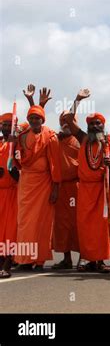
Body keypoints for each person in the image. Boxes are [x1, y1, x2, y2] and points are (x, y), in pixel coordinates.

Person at [62, 106, 110, 274]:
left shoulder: (108, 141)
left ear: (103, 125)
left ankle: (100, 260)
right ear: (87, 126)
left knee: (103, 226)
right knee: (86, 225)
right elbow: (68, 118)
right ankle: (87, 258)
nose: (95, 126)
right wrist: (78, 100)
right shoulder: (83, 138)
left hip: (104, 189)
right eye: (92, 124)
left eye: (98, 123)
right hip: (85, 190)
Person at [15, 99, 61, 271]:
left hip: (44, 184)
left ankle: (39, 259)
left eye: (37, 118)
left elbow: (55, 164)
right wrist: (13, 146)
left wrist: (55, 188)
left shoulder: (51, 137)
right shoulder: (20, 137)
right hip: (26, 183)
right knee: (25, 222)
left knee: (42, 222)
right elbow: (18, 162)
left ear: (43, 120)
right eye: (32, 118)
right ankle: (25, 259)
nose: (35, 121)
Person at [51, 90, 90, 269]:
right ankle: (66, 259)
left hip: (77, 186)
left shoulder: (79, 139)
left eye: (67, 123)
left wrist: (77, 100)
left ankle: (83, 257)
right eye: (62, 123)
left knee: (78, 222)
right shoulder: (55, 140)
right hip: (60, 187)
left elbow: (69, 116)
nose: (64, 125)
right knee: (62, 223)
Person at [0, 113, 20, 278]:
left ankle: (8, 262)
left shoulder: (17, 143)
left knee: (11, 229)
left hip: (13, 192)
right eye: (4, 125)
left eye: (9, 125)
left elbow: (22, 164)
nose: (6, 128)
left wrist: (14, 172)